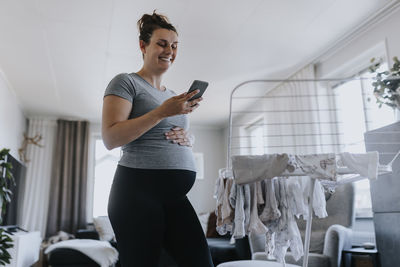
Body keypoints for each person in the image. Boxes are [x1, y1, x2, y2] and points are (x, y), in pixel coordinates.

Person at [102, 11, 214, 267]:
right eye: (162, 44)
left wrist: (187, 138)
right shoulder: (126, 82)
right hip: (136, 191)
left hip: (172, 194)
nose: (170, 51)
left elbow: (164, 133)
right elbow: (110, 137)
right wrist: (163, 112)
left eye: (174, 46)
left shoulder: (173, 96)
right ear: (143, 45)